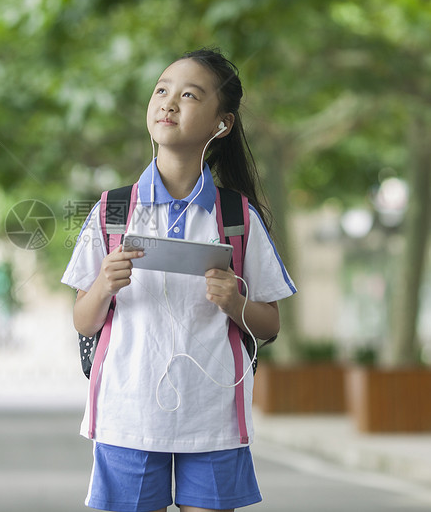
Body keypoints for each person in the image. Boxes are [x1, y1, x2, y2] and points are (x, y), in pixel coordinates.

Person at [61, 47, 297, 512]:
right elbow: (84, 322)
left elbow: (269, 325)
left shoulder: (237, 216)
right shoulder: (112, 210)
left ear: (221, 124)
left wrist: (236, 303)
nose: (168, 103)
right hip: (127, 415)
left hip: (213, 418)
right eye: (161, 90)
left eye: (189, 95)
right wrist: (104, 285)